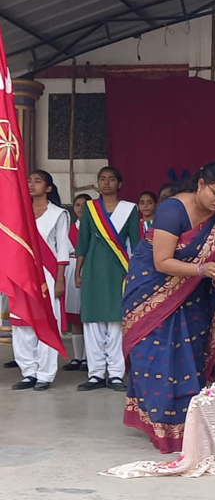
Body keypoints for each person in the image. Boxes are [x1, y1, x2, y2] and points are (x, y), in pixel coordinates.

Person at [122, 161, 215, 453]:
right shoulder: (172, 210)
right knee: (155, 357)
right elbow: (162, 261)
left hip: (193, 295)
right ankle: (159, 426)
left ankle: (186, 425)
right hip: (152, 289)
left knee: (189, 355)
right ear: (200, 184)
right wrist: (204, 270)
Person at [75, 167, 140, 392]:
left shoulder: (130, 209)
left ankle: (115, 374)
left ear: (119, 184)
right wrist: (78, 270)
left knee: (116, 322)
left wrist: (136, 274)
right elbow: (83, 242)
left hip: (119, 271)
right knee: (93, 322)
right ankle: (95, 374)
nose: (106, 183)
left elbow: (137, 243)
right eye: (102, 178)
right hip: (93, 270)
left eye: (111, 179)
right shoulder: (90, 208)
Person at [11, 170, 69, 391]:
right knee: (22, 324)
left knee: (46, 322)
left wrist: (61, 280)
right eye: (29, 181)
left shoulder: (58, 214)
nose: (32, 184)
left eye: (37, 181)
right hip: (21, 274)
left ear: (48, 188)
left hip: (47, 275)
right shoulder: (16, 214)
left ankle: (45, 374)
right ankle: (28, 372)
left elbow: (62, 249)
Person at [62, 193, 92, 372]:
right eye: (77, 204)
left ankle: (90, 358)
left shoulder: (96, 228)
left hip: (90, 268)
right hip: (72, 268)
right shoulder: (68, 228)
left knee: (88, 315)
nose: (80, 208)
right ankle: (77, 357)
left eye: (84, 204)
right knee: (75, 319)